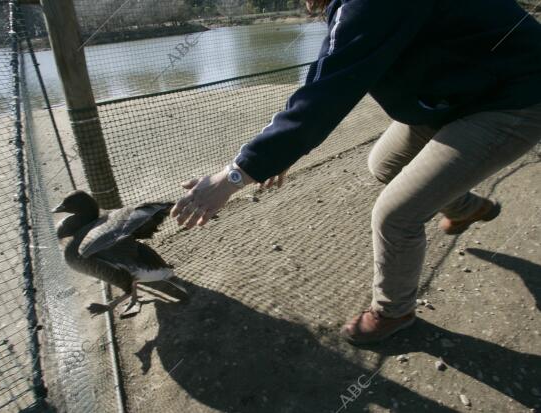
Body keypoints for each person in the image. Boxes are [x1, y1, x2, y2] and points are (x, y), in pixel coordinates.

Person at [170, 0, 541, 345]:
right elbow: (324, 78)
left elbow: (328, 93)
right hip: (461, 91)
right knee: (384, 164)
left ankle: (394, 312)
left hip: (515, 98)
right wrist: (274, 156)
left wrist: (235, 175)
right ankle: (464, 207)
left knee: (396, 215)